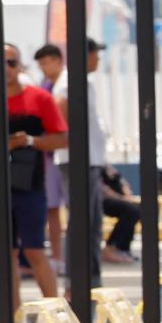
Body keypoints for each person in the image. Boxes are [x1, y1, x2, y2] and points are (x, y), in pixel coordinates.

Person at [2, 44, 70, 306]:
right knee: (3, 255)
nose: (5, 68)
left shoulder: (39, 98)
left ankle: (55, 313)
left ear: (19, 66)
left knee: (34, 250)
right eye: (0, 62)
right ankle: (12, 319)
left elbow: (63, 138)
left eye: (10, 62)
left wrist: (28, 141)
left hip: (30, 186)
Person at [52, 38, 111, 288]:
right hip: (78, 161)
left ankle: (91, 279)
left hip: (90, 160)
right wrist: (73, 137)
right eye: (96, 53)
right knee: (81, 221)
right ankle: (75, 281)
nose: (98, 58)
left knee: (92, 222)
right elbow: (61, 106)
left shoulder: (83, 80)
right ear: (86, 54)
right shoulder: (69, 80)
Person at [32, 43, 66, 270]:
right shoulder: (46, 86)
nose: (44, 68)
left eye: (46, 62)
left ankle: (59, 256)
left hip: (55, 153)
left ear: (58, 60)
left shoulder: (59, 86)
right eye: (41, 64)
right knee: (52, 208)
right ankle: (57, 255)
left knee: (55, 207)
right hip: (48, 155)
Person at [99, 165, 140, 263]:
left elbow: (120, 179)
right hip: (103, 198)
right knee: (131, 210)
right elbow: (100, 188)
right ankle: (111, 247)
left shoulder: (104, 164)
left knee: (136, 210)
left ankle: (123, 249)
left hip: (115, 196)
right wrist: (119, 197)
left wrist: (126, 193)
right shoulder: (93, 165)